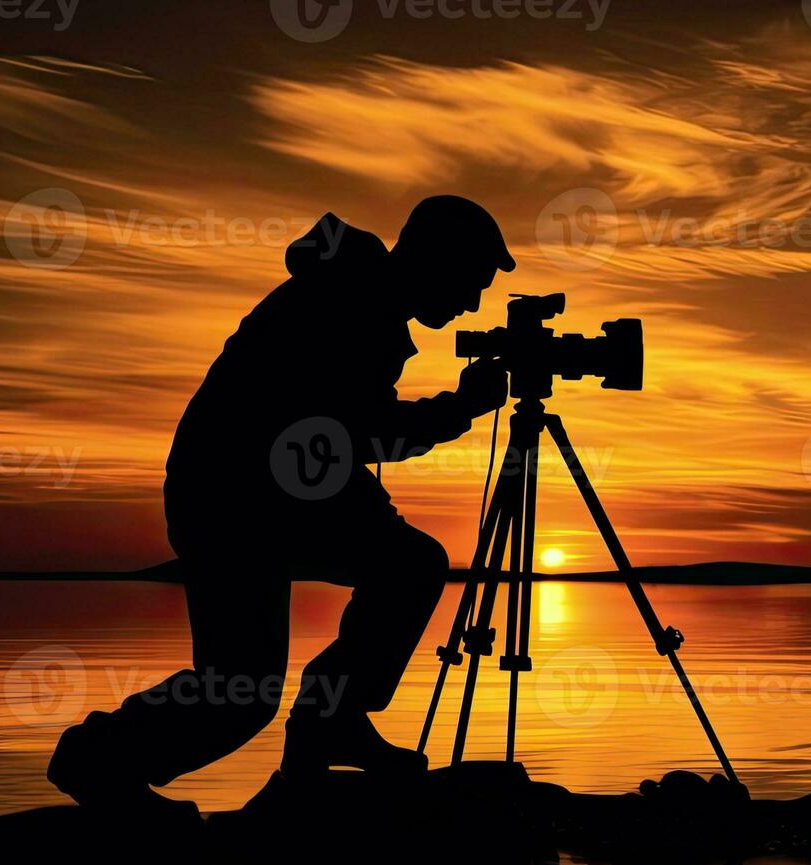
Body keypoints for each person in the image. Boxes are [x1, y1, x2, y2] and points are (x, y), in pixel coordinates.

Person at [46, 196, 514, 815]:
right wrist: (459, 410)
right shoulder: (349, 304)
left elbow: (331, 440)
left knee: (388, 579)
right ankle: (101, 762)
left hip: (267, 493)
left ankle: (321, 723)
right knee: (243, 691)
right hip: (238, 504)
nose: (472, 304)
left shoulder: (361, 299)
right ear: (436, 260)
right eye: (471, 282)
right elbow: (358, 432)